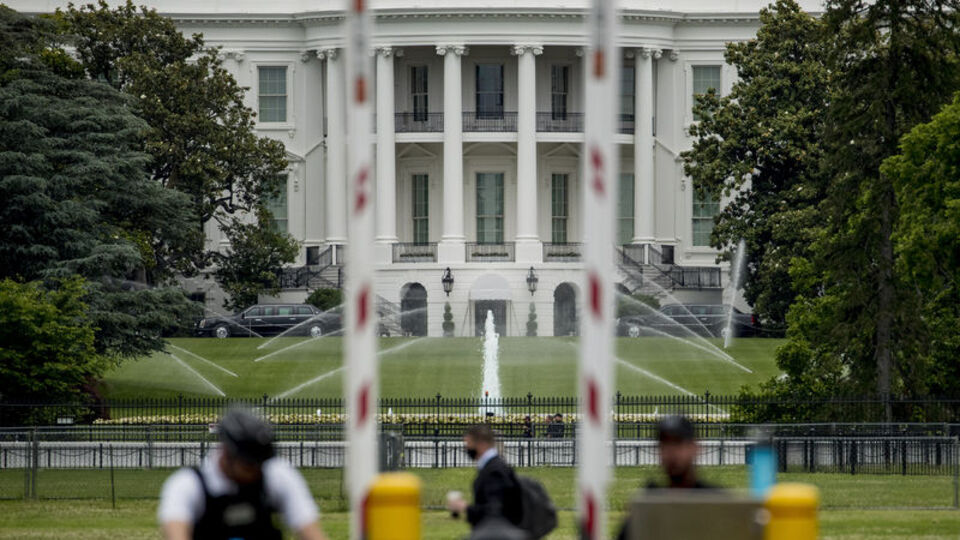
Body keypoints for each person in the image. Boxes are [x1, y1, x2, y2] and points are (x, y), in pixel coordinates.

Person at [158, 407, 328, 540]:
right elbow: (176, 531)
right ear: (226, 454)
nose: (257, 471)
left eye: (260, 463)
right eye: (249, 465)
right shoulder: (186, 485)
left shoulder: (277, 474)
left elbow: (310, 531)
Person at [616, 415, 714, 540]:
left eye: (678, 443)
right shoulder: (647, 506)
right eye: (665, 444)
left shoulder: (717, 501)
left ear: (695, 447)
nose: (671, 451)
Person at [446, 424, 523, 529]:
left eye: (468, 443)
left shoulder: (494, 471)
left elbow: (494, 512)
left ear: (481, 443)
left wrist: (464, 507)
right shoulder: (493, 466)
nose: (466, 448)